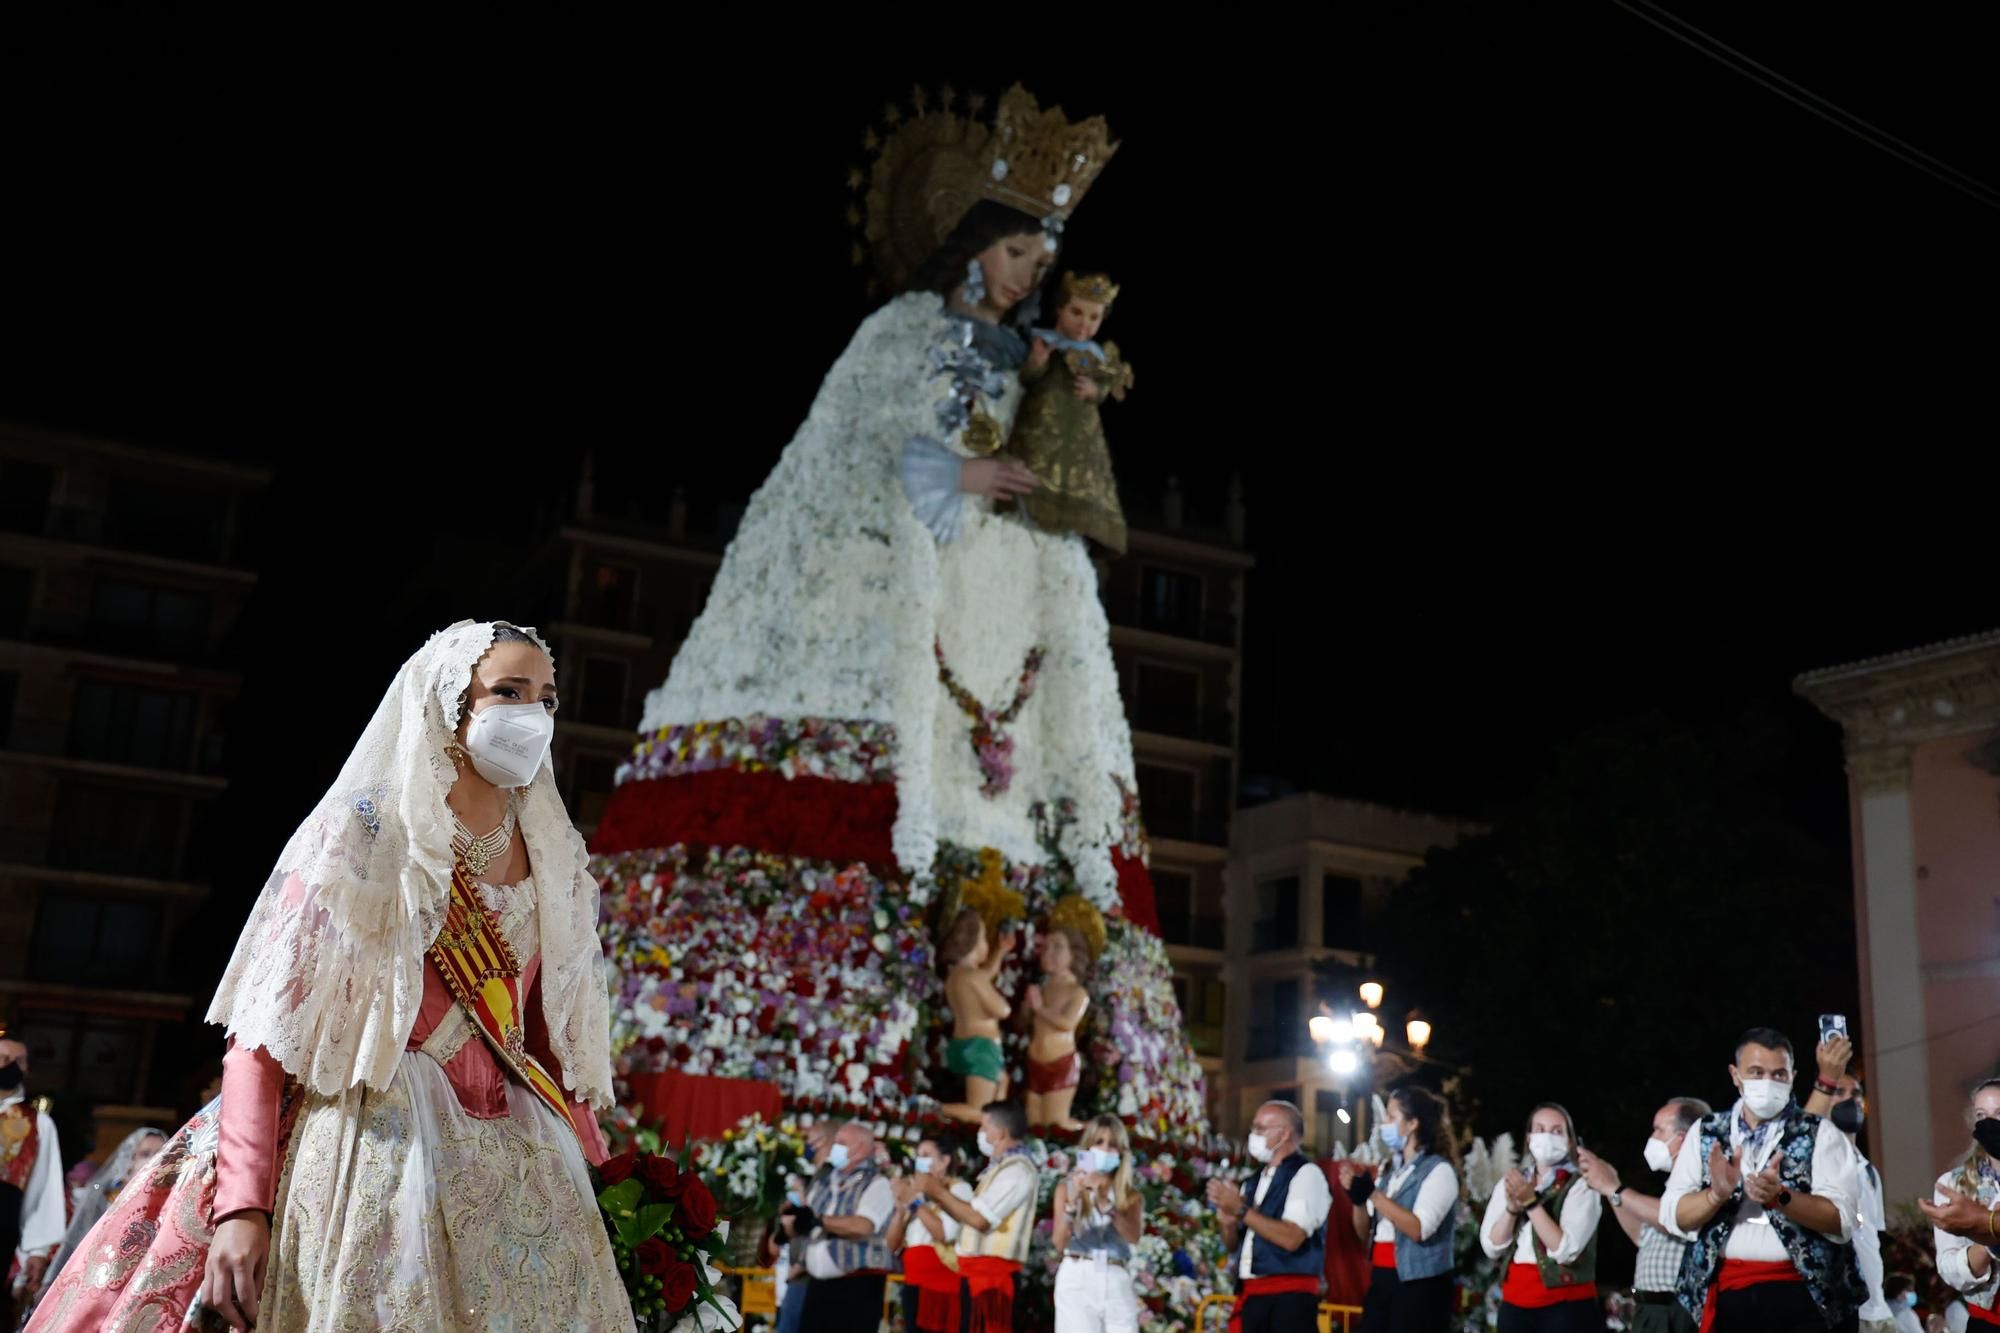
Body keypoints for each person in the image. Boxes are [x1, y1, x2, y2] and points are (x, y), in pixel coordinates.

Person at [29, 622, 630, 1332]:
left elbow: (544, 1043)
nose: (531, 715)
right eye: (508, 692)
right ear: (448, 703)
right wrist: (243, 1207)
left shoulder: (552, 856)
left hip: (524, 1168)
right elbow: (264, 1033)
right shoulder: (366, 831)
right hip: (374, 1147)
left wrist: (607, 1179)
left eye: (546, 699)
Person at [1659, 1025, 1865, 1333]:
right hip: (1731, 1296)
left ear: (1792, 1076)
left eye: (1778, 1074)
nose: (1767, 1083)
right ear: (1735, 1075)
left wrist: (1781, 1196)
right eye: (1756, 1072)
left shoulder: (1820, 1132)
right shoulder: (1707, 1132)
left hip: (1805, 1298)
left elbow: (1842, 1220)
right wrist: (1715, 1195)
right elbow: (1674, 1214)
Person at [1577, 1097, 1711, 1333]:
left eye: (1659, 1129)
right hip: (1649, 1310)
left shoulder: (1705, 1182)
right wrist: (1610, 1185)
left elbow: (1674, 1219)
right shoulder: (1674, 1185)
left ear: (1682, 1139)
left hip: (1678, 1311)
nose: (1652, 1137)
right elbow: (1642, 1236)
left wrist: (1614, 1188)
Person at [1341, 1085, 1462, 1333]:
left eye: (1392, 1116)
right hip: (1383, 1276)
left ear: (1412, 1124)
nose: (1384, 1123)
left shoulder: (1438, 1170)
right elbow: (1366, 1234)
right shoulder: (1389, 1171)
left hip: (1419, 1283)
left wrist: (1373, 1194)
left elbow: (1419, 1228)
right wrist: (1358, 1200)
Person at [1205, 1099, 1331, 1332]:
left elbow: (1292, 1238)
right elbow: (1234, 1246)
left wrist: (1241, 1210)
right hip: (1253, 1294)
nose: (1253, 1135)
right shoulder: (1252, 1182)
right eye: (1253, 1129)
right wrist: (1229, 1224)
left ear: (1284, 1134)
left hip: (1289, 1298)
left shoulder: (1306, 1174)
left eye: (1260, 1129)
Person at [1480, 1102, 1605, 1331]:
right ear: (1528, 1138)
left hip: (1565, 1304)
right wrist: (1512, 1210)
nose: (1547, 1137)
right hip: (1515, 1301)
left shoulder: (1583, 1186)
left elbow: (1566, 1250)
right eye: (1539, 1129)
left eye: (1557, 1131)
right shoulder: (1513, 1182)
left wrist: (1531, 1203)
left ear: (1569, 1141)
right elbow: (1491, 1246)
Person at [918, 1102, 1040, 1332]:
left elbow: (979, 1219)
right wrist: (937, 1196)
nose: (980, 1134)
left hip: (992, 1279)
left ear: (1001, 1133)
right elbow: (969, 1215)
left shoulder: (1017, 1170)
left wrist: (938, 1192)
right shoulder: (999, 1168)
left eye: (984, 1127)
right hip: (975, 1274)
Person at [1807, 1058, 1895, 1333]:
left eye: (1855, 1093)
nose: (1850, 1100)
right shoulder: (1808, 1164)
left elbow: (1871, 1241)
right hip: (1831, 1310)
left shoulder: (1868, 1171)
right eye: (1839, 1093)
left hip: (1875, 1310)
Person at [30, 1125, 165, 1300]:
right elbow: (74, 1240)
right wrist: (50, 1283)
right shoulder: (104, 1195)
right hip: (94, 1281)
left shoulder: (171, 1199)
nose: (154, 1161)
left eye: (161, 1153)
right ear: (129, 1160)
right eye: (145, 1154)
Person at [787, 1120, 896, 1327]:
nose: (834, 1147)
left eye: (841, 1142)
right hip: (817, 1284)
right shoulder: (824, 1181)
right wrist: (791, 1221)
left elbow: (863, 1226)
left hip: (856, 1286)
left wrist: (818, 1221)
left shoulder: (877, 1183)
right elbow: (804, 1221)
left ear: (861, 1147)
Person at [1050, 1113, 1144, 1333]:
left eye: (1112, 1145)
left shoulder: (1129, 1195)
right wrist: (1072, 1205)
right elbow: (1059, 1242)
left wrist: (1105, 1202)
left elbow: (1134, 1236)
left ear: (1121, 1152)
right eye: (1099, 1142)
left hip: (1115, 1277)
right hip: (1077, 1276)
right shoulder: (1067, 1189)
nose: (1105, 1150)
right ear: (1087, 1147)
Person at [0, 1037, 63, 1331]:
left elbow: (43, 1187)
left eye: (17, 1059)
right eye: (2, 1057)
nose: (8, 1065)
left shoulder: (38, 1123)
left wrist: (37, 1249)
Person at [1927, 1078, 2000, 1327]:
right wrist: (1989, 1240)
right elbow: (1948, 1268)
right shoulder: (1953, 1184)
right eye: (1982, 1114)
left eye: (1999, 1113)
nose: (1990, 1122)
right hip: (1988, 1323)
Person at [888, 1138, 974, 1333]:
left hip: (942, 1284)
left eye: (926, 1156)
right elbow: (892, 1245)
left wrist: (914, 1203)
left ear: (945, 1160)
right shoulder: (915, 1192)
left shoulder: (958, 1189)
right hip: (914, 1282)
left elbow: (944, 1233)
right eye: (918, 1156)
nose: (920, 1161)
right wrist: (900, 1209)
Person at [770, 1119, 836, 1333]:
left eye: (809, 1140)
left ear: (823, 1141)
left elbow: (817, 1222)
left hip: (806, 1273)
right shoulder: (817, 1176)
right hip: (801, 1270)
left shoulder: (828, 1176)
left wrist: (801, 1264)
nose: (807, 1146)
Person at [1024, 924, 1092, 1131]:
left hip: (1060, 1064)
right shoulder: (1043, 988)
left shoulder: (1077, 992)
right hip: (1035, 1062)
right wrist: (1027, 1007)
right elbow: (1025, 1023)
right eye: (1046, 947)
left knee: (1055, 1125)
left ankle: (1089, 1133)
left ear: (1073, 954)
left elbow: (1067, 1023)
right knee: (1034, 1123)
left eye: (1057, 947)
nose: (1049, 953)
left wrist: (1040, 1009)